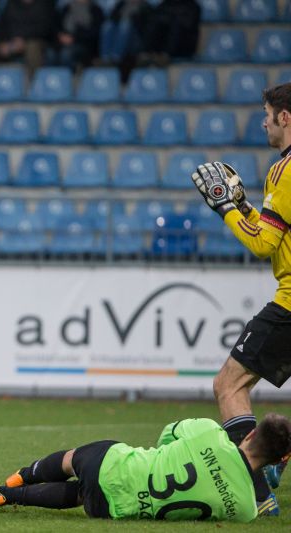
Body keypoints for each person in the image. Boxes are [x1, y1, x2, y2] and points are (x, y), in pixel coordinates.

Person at [191, 83, 291, 516]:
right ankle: (270, 464)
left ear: (285, 117)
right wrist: (244, 205)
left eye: (267, 113)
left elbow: (265, 244)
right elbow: (276, 227)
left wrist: (224, 207)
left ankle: (258, 488)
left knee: (228, 384)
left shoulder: (285, 170)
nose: (264, 121)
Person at [0, 414, 291, 522]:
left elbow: (167, 435)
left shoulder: (209, 430)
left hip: (112, 463)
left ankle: (10, 481)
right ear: (278, 461)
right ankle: (7, 495)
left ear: (249, 432)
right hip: (116, 508)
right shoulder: (247, 510)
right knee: (81, 494)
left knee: (72, 458)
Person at [0, 0, 57, 77]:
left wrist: (23, 40)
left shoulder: (45, 5)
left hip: (33, 42)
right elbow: (1, 26)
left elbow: (45, 29)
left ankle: (34, 83)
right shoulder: (11, 4)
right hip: (10, 43)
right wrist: (4, 42)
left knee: (33, 47)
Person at [52, 0, 104, 72]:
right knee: (50, 54)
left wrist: (74, 38)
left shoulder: (96, 10)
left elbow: (94, 32)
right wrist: (60, 36)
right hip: (63, 41)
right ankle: (53, 79)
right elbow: (57, 26)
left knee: (66, 54)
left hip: (83, 43)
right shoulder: (67, 8)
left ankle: (67, 78)